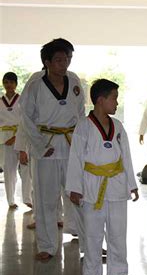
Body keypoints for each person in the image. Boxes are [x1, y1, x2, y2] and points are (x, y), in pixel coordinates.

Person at [66, 79, 139, 275]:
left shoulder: (118, 126)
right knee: (92, 233)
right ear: (100, 100)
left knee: (118, 231)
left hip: (116, 183)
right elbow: (76, 157)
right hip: (91, 185)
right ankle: (91, 273)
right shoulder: (83, 125)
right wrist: (75, 187)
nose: (117, 103)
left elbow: (126, 155)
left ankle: (119, 272)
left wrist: (131, 184)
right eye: (114, 98)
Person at [20, 41, 85, 260]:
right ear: (47, 62)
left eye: (67, 59)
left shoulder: (74, 80)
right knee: (46, 198)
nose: (64, 63)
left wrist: (81, 142)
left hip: (70, 143)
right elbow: (26, 117)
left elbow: (81, 111)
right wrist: (39, 144)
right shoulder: (35, 84)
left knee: (76, 193)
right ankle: (46, 245)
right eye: (59, 60)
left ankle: (82, 235)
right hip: (46, 145)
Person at [0, 72, 32, 209]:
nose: (9, 85)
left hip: (21, 137)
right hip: (4, 139)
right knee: (9, 170)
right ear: (3, 84)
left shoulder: (22, 100)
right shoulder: (0, 102)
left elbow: (25, 120)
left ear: (16, 84)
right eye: (6, 82)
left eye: (11, 82)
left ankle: (27, 198)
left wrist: (16, 137)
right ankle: (10, 200)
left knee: (26, 169)